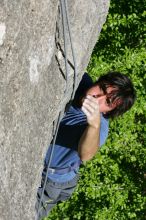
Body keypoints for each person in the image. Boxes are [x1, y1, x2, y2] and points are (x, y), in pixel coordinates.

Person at [35, 71, 136, 219]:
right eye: (101, 88)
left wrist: (93, 125)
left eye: (107, 102)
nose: (98, 98)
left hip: (52, 182)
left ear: (109, 112)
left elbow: (86, 155)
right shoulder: (81, 81)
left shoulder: (99, 128)